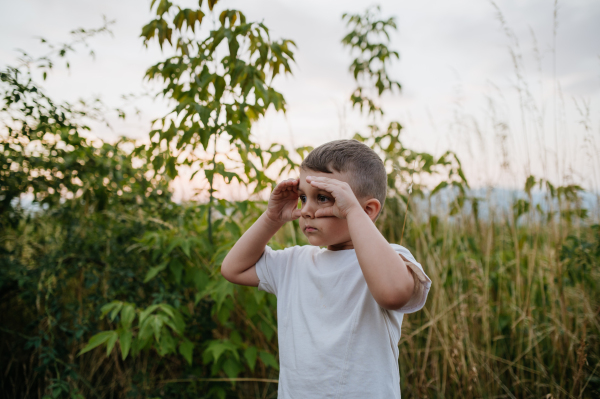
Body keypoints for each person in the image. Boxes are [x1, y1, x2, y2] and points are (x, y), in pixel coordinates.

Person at [221, 139, 431, 398]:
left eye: (322, 198)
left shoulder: (392, 259)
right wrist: (271, 218)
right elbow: (233, 269)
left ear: (368, 210)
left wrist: (353, 212)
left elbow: (393, 293)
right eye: (302, 198)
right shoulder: (294, 263)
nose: (307, 210)